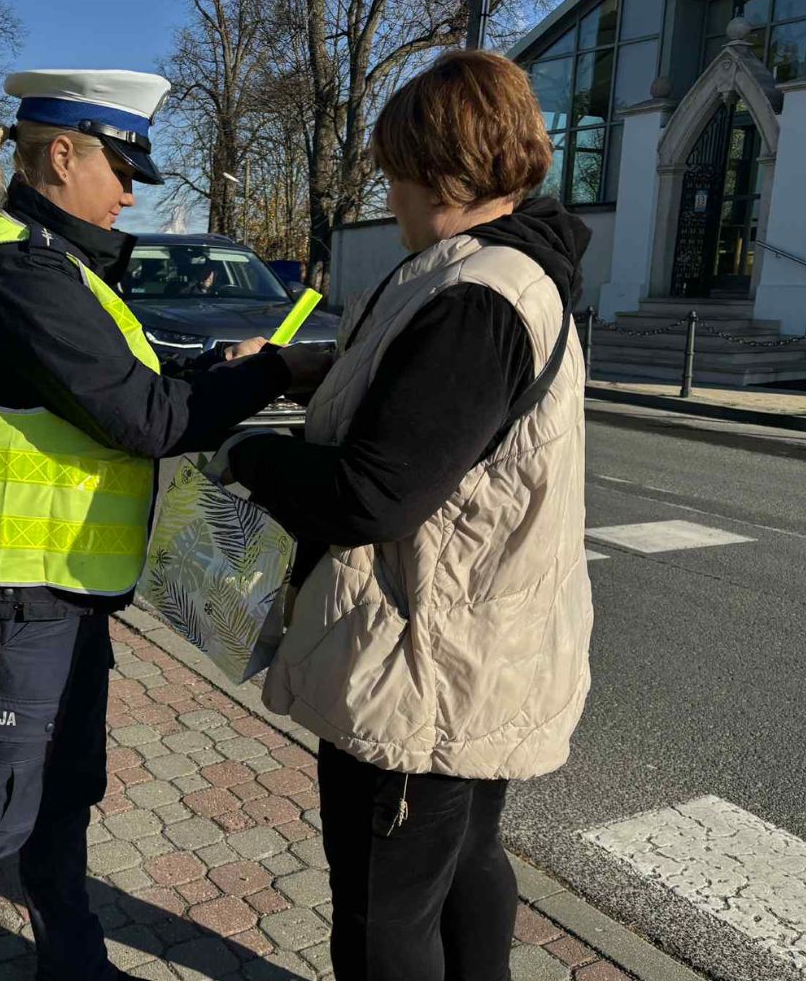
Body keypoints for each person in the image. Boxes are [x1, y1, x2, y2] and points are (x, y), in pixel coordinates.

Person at [0, 68, 327, 981]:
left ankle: (74, 959)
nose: (131, 191)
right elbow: (149, 419)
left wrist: (222, 362)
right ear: (62, 155)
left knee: (59, 799)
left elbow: (126, 383)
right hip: (8, 593)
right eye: (122, 168)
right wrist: (278, 373)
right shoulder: (18, 274)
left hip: (61, 593)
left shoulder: (58, 270)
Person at [217, 51, 595, 981]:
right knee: (465, 860)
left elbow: (368, 495)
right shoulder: (482, 268)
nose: (388, 191)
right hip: (477, 648)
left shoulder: (476, 298)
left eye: (395, 168)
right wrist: (304, 366)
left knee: (383, 912)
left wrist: (241, 456)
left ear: (441, 167)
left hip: (421, 659)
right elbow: (417, 401)